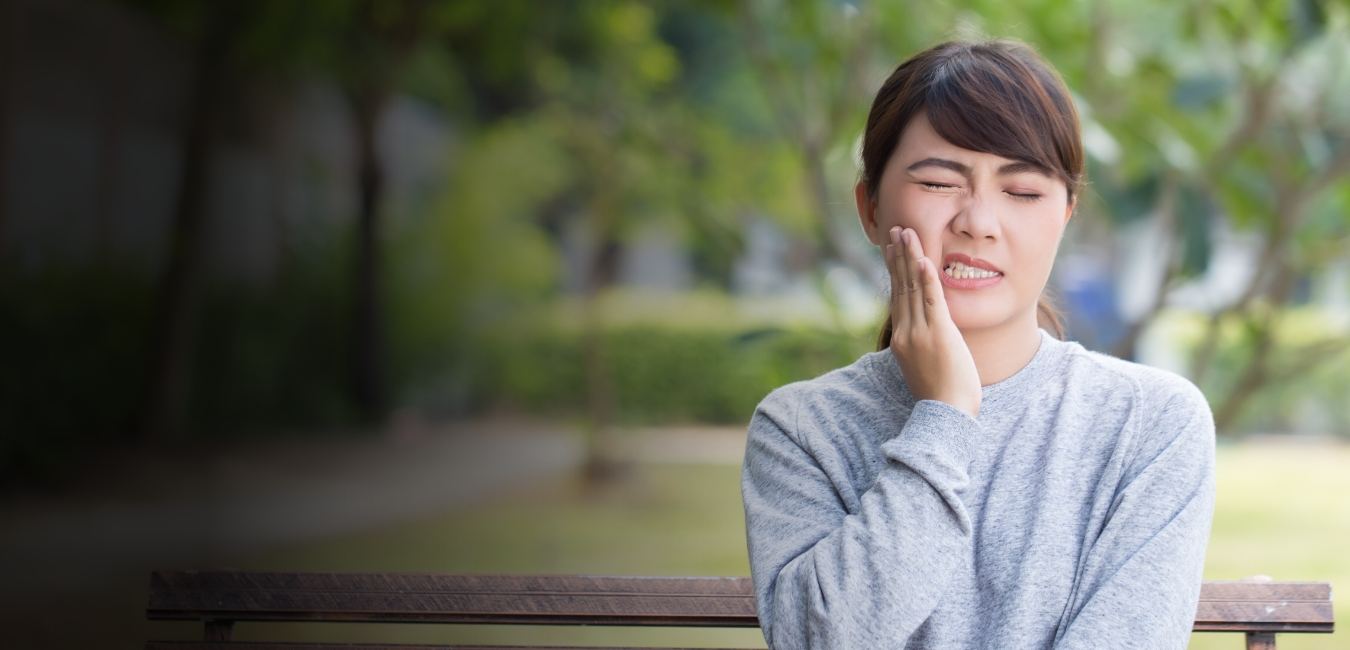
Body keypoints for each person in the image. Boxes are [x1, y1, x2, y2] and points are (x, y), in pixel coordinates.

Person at [740, 39, 1215, 649]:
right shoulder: (801, 430)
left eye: (1021, 192)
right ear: (870, 207)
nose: (978, 222)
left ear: (1065, 215)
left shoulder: (1152, 424)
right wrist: (944, 417)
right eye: (940, 183)